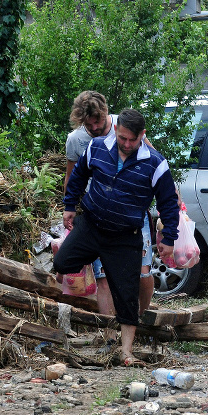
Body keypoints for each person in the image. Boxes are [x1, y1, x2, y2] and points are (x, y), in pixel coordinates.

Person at [55, 108, 180, 366]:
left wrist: (168, 237)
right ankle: (98, 274)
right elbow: (78, 176)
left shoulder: (155, 163)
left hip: (125, 236)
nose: (126, 144)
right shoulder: (97, 147)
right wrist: (69, 205)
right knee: (62, 264)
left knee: (126, 295)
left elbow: (168, 202)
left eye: (132, 140)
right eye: (122, 137)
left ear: (142, 135)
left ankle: (125, 352)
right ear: (116, 130)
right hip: (91, 225)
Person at [64, 92, 155, 347]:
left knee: (141, 275)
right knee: (103, 278)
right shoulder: (76, 141)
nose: (93, 128)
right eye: (88, 125)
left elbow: (155, 164)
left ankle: (137, 319)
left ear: (108, 115)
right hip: (98, 218)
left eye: (98, 122)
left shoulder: (126, 128)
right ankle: (110, 337)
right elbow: (73, 178)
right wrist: (68, 208)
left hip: (132, 216)